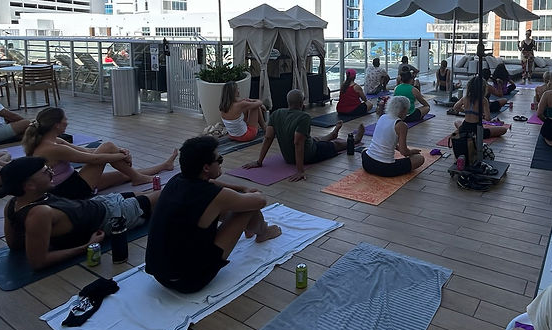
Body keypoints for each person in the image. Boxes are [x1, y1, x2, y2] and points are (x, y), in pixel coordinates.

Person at [146, 136, 282, 293]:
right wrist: (252, 194)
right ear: (206, 168)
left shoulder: (176, 180)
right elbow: (260, 201)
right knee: (248, 207)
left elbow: (211, 183)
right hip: (188, 281)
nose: (221, 163)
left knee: (231, 204)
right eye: (219, 160)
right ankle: (263, 232)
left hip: (160, 275)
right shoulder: (214, 196)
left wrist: (241, 188)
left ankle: (251, 228)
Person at [0, 156, 160, 270]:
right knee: (164, 195)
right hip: (111, 216)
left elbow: (14, 244)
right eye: (45, 172)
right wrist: (85, 247)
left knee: (146, 195)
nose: (52, 173)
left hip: (98, 203)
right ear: (29, 185)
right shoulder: (39, 214)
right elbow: (38, 262)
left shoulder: (13, 204)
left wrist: (39, 237)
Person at [23, 107, 177, 199]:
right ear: (57, 125)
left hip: (72, 181)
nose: (67, 122)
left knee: (123, 174)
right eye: (65, 119)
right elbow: (93, 159)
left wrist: (120, 151)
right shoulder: (53, 148)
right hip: (67, 191)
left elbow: (87, 151)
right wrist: (121, 155)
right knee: (108, 146)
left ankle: (164, 166)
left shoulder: (55, 141)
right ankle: (138, 177)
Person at [245, 89, 363, 182]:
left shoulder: (276, 113)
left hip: (288, 157)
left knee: (314, 139)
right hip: (308, 155)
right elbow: (298, 143)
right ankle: (355, 140)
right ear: (302, 103)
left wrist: (259, 161)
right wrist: (300, 171)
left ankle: (332, 134)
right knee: (335, 144)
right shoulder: (304, 117)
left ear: (288, 102)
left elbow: (268, 137)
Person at [361, 96, 425, 177]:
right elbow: (404, 152)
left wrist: (404, 150)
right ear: (403, 110)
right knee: (419, 158)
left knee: (365, 149)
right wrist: (412, 152)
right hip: (385, 167)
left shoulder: (383, 117)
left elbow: (388, 141)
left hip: (367, 162)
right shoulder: (401, 125)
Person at [450, 75, 509, 141]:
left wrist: (466, 111)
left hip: (465, 127)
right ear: (483, 88)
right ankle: (472, 135)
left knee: (457, 122)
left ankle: (466, 133)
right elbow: (488, 118)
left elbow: (455, 107)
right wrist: (482, 116)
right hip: (477, 130)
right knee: (503, 129)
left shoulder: (465, 98)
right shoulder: (484, 100)